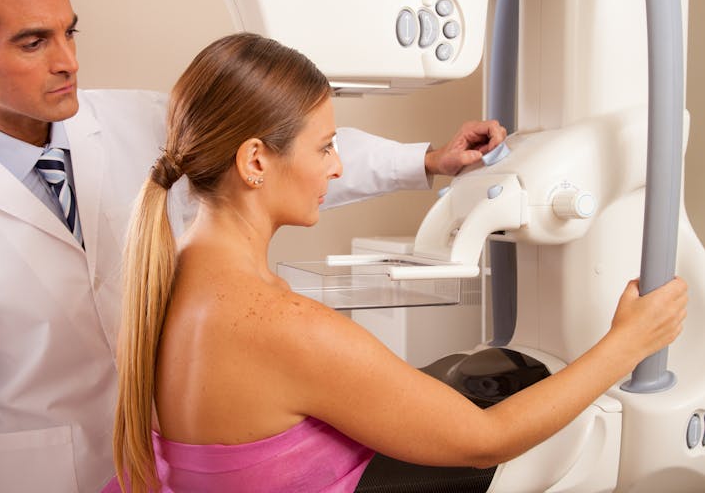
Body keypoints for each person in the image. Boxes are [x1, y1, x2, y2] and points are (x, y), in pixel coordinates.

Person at [0, 0, 506, 491]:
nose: (68, 60)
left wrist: (426, 160)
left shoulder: (134, 120)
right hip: (32, 472)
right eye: (33, 43)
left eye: (69, 31)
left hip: (159, 459)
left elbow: (284, 148)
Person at [108, 33, 687, 493]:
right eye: (325, 146)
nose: (337, 167)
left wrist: (432, 159)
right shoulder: (280, 324)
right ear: (255, 160)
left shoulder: (168, 280)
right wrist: (626, 345)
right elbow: (486, 440)